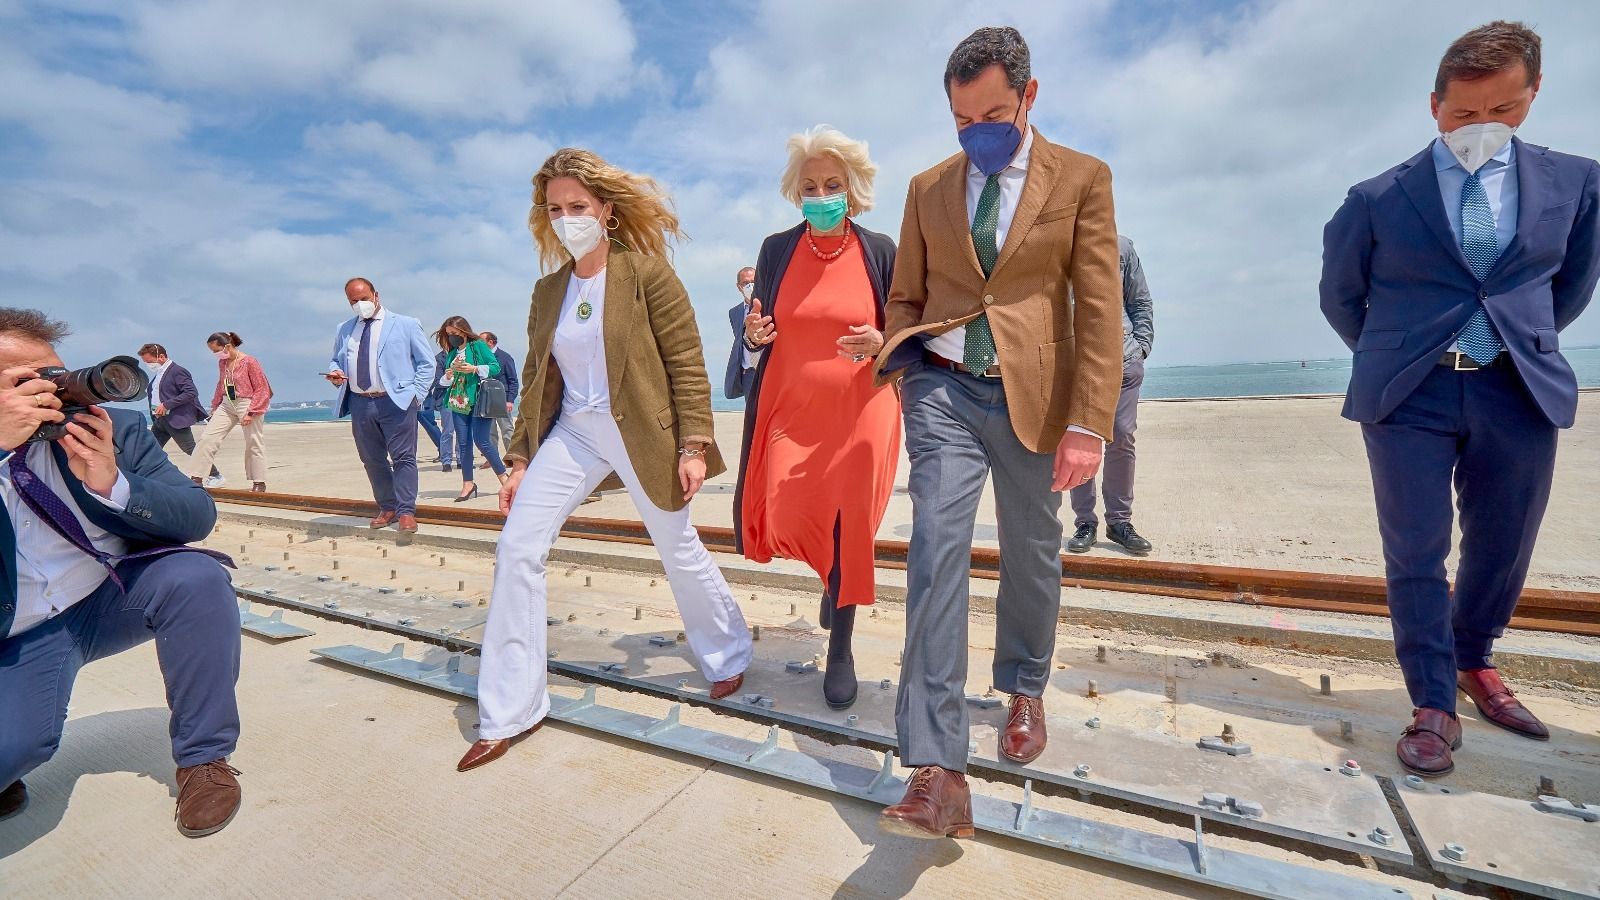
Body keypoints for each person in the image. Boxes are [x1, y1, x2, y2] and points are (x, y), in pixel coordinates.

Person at [1320, 21, 1598, 778]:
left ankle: (1475, 659)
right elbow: (1341, 297)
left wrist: (1513, 338)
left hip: (1517, 385)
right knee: (1416, 549)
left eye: (1502, 112)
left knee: (1505, 543)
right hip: (1409, 392)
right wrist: (1403, 353)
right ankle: (1433, 700)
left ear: (1531, 99)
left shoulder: (1578, 183)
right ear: (1434, 107)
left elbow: (1567, 288)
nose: (1483, 129)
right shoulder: (1377, 196)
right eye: (1464, 114)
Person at [870, 27, 1123, 839]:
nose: (977, 130)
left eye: (993, 113)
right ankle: (938, 770)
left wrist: (1090, 422)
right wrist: (907, 371)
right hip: (942, 391)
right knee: (934, 554)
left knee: (1031, 551)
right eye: (960, 119)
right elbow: (905, 297)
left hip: (1035, 401)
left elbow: (1098, 308)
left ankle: (1023, 685)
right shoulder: (926, 188)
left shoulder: (1082, 178)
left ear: (1029, 96)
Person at [458, 148, 753, 772]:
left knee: (676, 544)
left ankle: (727, 653)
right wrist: (517, 462)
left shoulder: (647, 274)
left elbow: (685, 361)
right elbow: (538, 379)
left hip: (642, 429)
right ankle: (511, 710)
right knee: (517, 548)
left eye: (578, 207)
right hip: (574, 432)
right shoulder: (548, 292)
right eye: (556, 209)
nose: (568, 219)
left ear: (606, 212)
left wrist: (694, 442)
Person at [0, 308, 244, 837]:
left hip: (109, 596)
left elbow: (197, 515)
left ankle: (205, 759)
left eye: (55, 375)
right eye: (26, 381)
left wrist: (112, 482)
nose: (53, 392)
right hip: (17, 632)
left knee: (195, 578)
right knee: (16, 747)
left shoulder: (119, 430)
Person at [735, 126, 899, 711]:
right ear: (795, 193)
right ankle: (833, 579)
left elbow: (907, 330)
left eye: (833, 184)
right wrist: (753, 338)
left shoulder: (880, 250)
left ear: (852, 190)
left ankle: (843, 647)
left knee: (848, 522)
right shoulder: (776, 250)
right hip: (791, 407)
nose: (821, 194)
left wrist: (882, 339)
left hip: (863, 408)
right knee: (784, 502)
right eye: (810, 186)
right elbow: (758, 330)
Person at [325, 278, 437, 534]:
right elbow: (335, 360)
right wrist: (335, 372)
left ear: (376, 295)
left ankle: (406, 511)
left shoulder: (406, 324)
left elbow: (427, 363)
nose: (360, 304)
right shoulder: (344, 329)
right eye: (354, 301)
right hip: (360, 402)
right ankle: (387, 507)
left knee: (404, 458)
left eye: (364, 298)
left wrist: (415, 396)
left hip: (395, 401)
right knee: (372, 459)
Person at [1067, 235, 1156, 556]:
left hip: (1123, 361)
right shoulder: (1050, 248)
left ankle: (1119, 522)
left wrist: (1141, 347)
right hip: (1074, 367)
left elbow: (1140, 301)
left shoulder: (1122, 248)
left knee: (1121, 437)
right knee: (1080, 439)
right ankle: (1084, 522)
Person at [188, 332, 271, 493]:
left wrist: (251, 412)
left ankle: (259, 482)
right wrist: (215, 405)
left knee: (254, 442)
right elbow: (221, 384)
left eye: (215, 350)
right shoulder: (223, 362)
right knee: (208, 437)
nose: (214, 354)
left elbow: (262, 388)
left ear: (227, 346)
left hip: (247, 403)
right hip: (227, 404)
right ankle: (196, 477)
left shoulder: (249, 361)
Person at [435, 317, 507, 502]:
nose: (451, 337)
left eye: (454, 333)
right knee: (464, 444)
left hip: (478, 400)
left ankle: (504, 479)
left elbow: (495, 367)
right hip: (458, 402)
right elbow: (444, 382)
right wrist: (448, 375)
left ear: (464, 331)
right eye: (449, 334)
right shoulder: (451, 353)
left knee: (482, 441)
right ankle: (468, 484)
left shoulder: (478, 346)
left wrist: (474, 368)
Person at [138, 343, 221, 487]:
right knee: (151, 448)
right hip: (160, 420)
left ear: (161, 357)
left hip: (176, 419)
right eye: (146, 363)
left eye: (150, 362)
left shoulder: (177, 371)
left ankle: (216, 475)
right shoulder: (159, 374)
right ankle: (146, 477)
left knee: (191, 449)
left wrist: (167, 405)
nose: (148, 365)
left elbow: (191, 392)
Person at [477, 331, 519, 465]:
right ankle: (492, 459)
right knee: (490, 431)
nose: (479, 344)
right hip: (485, 399)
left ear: (491, 342)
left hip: (502, 399)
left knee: (507, 429)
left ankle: (511, 458)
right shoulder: (480, 358)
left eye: (481, 341)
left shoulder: (505, 357)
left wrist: (510, 400)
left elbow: (513, 380)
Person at [723, 266, 759, 399]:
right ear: (739, 287)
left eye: (753, 281)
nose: (750, 285)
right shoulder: (734, 313)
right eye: (745, 283)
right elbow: (739, 341)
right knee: (751, 416)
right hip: (748, 373)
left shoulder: (771, 305)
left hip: (769, 370)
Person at [427, 347, 457, 472]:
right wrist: (448, 377)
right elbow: (436, 382)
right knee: (448, 430)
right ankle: (446, 460)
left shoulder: (465, 354)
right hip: (446, 398)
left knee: (463, 431)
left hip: (463, 397)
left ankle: (461, 459)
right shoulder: (439, 359)